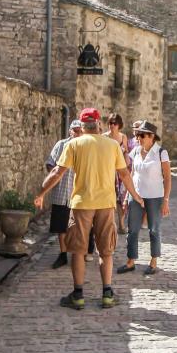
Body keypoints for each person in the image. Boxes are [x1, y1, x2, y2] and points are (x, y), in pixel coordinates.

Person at [35, 107, 144, 310]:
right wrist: (136, 196)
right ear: (99, 124)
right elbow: (124, 174)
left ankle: (78, 295)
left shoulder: (74, 144)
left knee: (78, 250)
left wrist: (41, 193)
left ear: (82, 126)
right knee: (106, 251)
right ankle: (107, 293)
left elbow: (58, 172)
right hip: (105, 204)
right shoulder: (112, 146)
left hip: (81, 204)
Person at [117, 120, 171, 276]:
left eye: (141, 135)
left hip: (155, 197)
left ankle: (153, 262)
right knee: (132, 230)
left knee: (154, 230)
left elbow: (167, 178)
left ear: (151, 136)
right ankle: (130, 261)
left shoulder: (161, 153)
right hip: (137, 196)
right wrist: (127, 196)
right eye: (137, 134)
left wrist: (166, 200)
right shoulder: (135, 151)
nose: (137, 137)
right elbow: (132, 174)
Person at [45, 119, 82, 269]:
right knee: (61, 227)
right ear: (70, 131)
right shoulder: (61, 145)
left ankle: (78, 253)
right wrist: (54, 174)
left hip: (78, 194)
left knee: (77, 226)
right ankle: (62, 254)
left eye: (80, 130)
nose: (77, 133)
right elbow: (50, 162)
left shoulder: (84, 147)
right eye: (75, 130)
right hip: (61, 192)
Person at [104, 113, 130, 234]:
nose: (112, 125)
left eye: (114, 123)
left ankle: (121, 224)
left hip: (119, 171)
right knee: (108, 198)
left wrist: (126, 167)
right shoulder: (104, 137)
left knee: (120, 199)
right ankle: (109, 224)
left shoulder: (123, 137)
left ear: (119, 125)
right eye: (110, 123)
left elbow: (126, 153)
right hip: (108, 171)